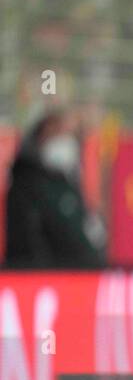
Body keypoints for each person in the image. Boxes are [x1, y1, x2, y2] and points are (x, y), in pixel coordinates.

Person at [4, 109, 103, 269]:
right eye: (59, 132)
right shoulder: (25, 182)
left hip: (78, 280)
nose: (66, 141)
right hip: (42, 280)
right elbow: (29, 244)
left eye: (69, 134)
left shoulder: (67, 182)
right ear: (42, 135)